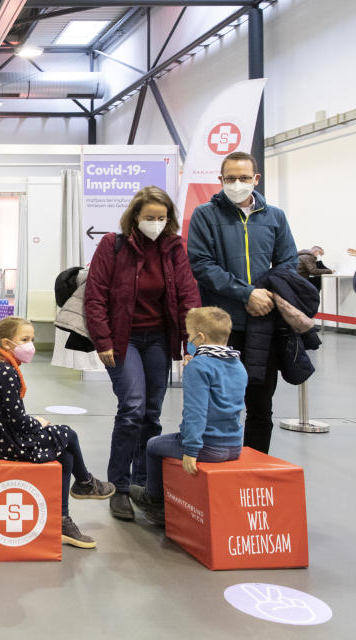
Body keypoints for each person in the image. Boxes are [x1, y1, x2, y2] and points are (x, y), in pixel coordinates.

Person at [84, 186, 201, 522]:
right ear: (135, 216)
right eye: (150, 217)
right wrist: (103, 340)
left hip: (159, 339)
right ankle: (118, 487)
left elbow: (188, 295)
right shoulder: (113, 245)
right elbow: (95, 296)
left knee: (151, 412)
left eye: (162, 218)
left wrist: (191, 345)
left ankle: (143, 484)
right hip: (124, 340)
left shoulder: (175, 247)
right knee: (132, 407)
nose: (156, 223)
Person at [187, 151, 298, 454]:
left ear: (256, 179)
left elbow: (289, 261)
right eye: (231, 178)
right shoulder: (205, 215)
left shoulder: (275, 217)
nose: (238, 183)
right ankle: (221, 467)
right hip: (222, 329)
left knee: (261, 406)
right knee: (220, 405)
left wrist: (268, 295)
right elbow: (202, 265)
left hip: (264, 325)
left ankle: (255, 467)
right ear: (220, 180)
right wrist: (246, 293)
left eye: (244, 178)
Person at [0, 316, 115, 549]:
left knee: (66, 455)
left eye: (32, 338)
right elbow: (17, 419)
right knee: (67, 433)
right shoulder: (7, 373)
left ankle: (62, 519)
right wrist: (38, 424)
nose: (31, 344)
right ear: (8, 343)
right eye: (25, 339)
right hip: (6, 442)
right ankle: (85, 482)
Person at [129, 307, 247, 526]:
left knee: (153, 445)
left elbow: (196, 412)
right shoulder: (238, 365)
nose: (188, 339)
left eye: (190, 334)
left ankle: (153, 500)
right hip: (233, 445)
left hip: (207, 446)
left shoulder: (199, 367)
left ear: (200, 337)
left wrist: (191, 449)